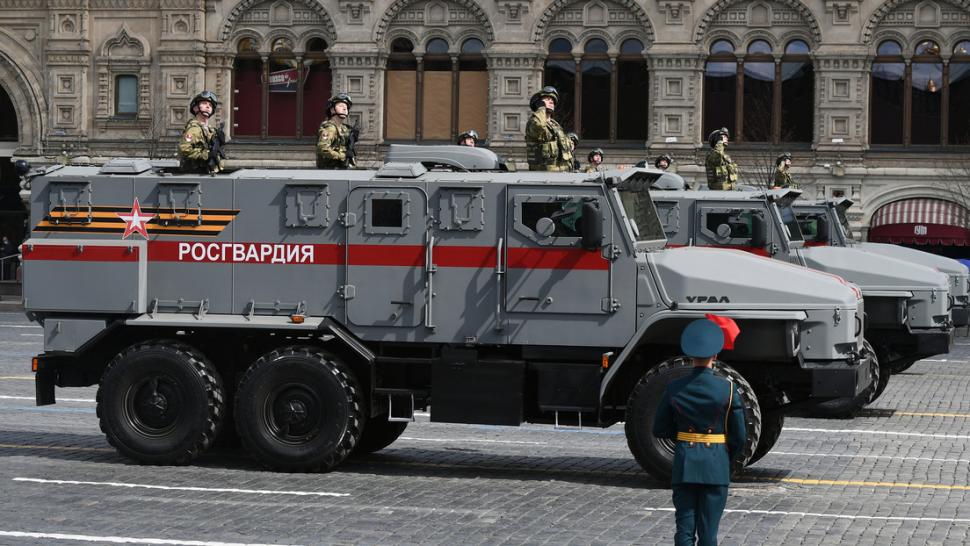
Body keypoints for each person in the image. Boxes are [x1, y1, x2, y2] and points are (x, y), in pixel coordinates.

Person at [653, 316, 746, 546]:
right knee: (708, 534)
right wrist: (725, 458)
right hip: (716, 466)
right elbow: (740, 437)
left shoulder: (674, 388)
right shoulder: (728, 389)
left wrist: (684, 439)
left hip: (685, 464)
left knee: (684, 531)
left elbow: (659, 428)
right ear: (715, 355)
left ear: (690, 355)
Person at [525, 86, 574, 172]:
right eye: (547, 99)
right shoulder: (533, 122)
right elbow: (539, 126)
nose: (551, 101)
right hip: (543, 177)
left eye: (553, 100)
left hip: (562, 175)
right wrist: (541, 109)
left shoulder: (556, 125)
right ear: (539, 103)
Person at [178, 90, 225, 174]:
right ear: (195, 107)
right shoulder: (194, 129)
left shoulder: (210, 130)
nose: (208, 106)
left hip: (208, 172)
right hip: (195, 172)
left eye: (210, 105)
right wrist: (206, 155)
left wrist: (220, 143)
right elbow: (184, 149)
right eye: (204, 103)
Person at [317, 93, 356, 169]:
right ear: (332, 110)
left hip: (340, 170)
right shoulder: (330, 128)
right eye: (341, 106)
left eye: (346, 107)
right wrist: (343, 155)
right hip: (330, 171)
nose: (345, 109)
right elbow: (322, 148)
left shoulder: (344, 128)